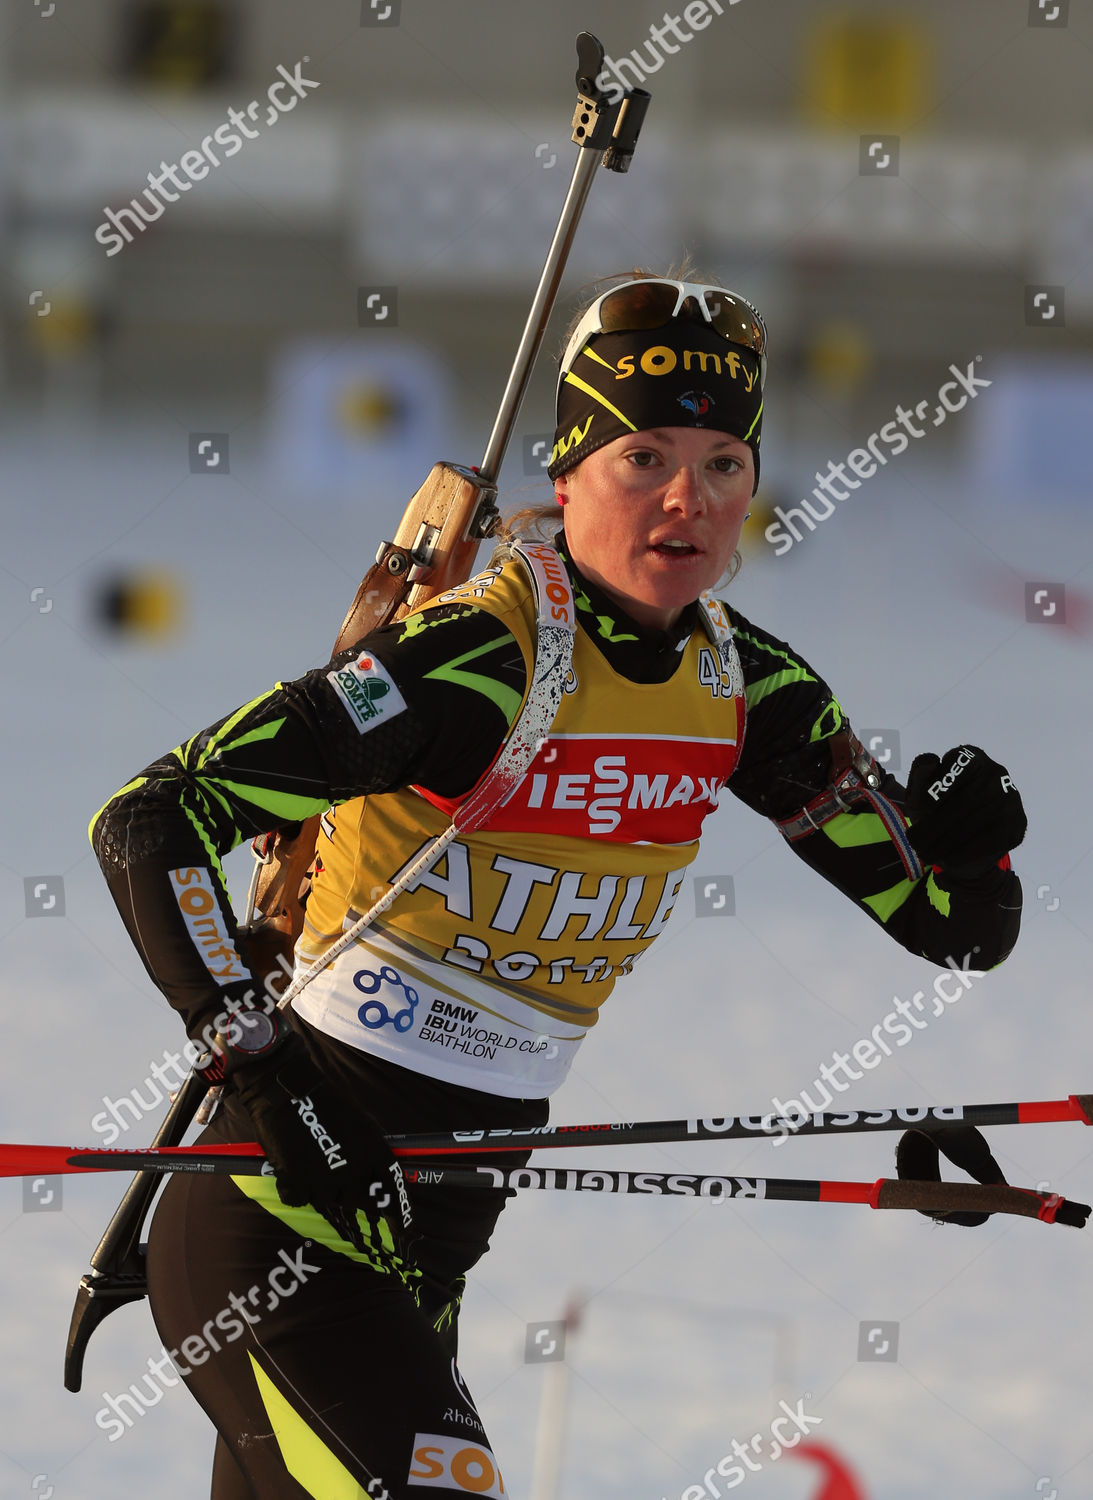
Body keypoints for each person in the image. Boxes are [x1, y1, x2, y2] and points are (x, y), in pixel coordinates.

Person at [89, 271, 1027, 1498]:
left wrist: (972, 839)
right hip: (280, 1217)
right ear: (570, 474)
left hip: (425, 1250)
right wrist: (268, 1082)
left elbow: (956, 929)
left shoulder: (751, 693)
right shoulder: (478, 661)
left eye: (724, 464)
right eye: (643, 458)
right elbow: (152, 823)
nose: (687, 497)